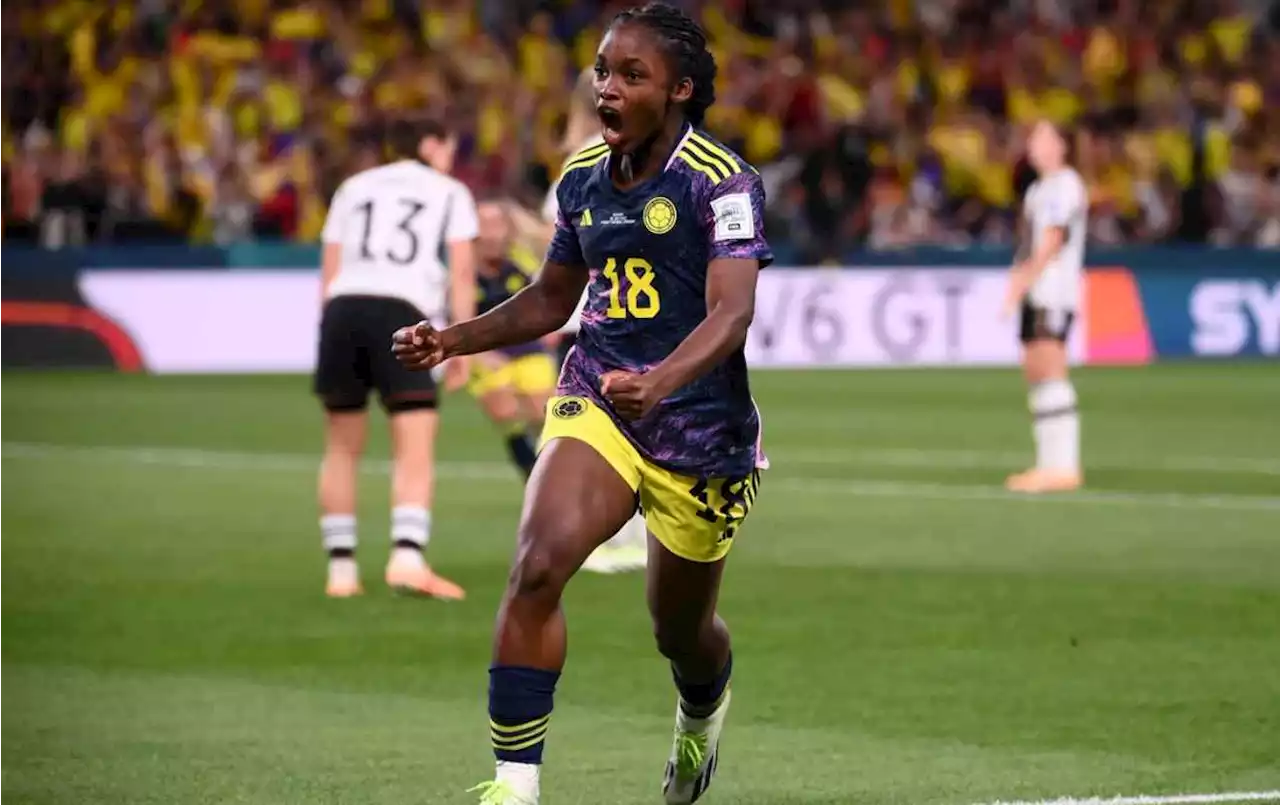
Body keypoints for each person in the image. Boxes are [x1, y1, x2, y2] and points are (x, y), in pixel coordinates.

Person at [393, 4, 770, 802]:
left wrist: (662, 382)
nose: (610, 87)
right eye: (604, 70)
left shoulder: (722, 181)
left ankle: (700, 720)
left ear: (680, 90)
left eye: (633, 75)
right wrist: (453, 338)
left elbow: (732, 313)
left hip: (701, 431)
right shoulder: (578, 181)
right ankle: (515, 783)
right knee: (538, 562)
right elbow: (550, 299)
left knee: (681, 631)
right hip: (597, 393)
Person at [314, 119, 477, 600]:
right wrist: (459, 343)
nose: (451, 155)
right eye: (448, 144)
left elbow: (330, 270)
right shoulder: (449, 191)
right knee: (414, 439)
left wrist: (329, 327)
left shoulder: (353, 187)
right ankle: (407, 558)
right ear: (430, 143)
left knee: (341, 445)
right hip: (403, 310)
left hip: (343, 309)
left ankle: (341, 573)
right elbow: (462, 271)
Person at [545, 65, 650, 575]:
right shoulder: (617, 162)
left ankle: (613, 539)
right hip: (617, 322)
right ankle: (622, 538)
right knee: (623, 437)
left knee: (601, 439)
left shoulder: (582, 163)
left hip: (586, 325)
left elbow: (552, 250)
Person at [1002, 120, 1087, 493]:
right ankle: (1047, 464)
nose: (1032, 144)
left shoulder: (1065, 185)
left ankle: (1063, 466)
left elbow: (1053, 239)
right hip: (1037, 289)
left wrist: (1024, 280)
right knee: (1036, 370)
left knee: (1051, 369)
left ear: (1061, 146)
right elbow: (1031, 241)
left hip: (1053, 289)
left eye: (1041, 137)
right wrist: (1018, 279)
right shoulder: (1038, 190)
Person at [470, 199, 560, 478]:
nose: (492, 233)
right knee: (504, 409)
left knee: (542, 410)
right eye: (485, 225)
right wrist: (476, 353)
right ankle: (528, 465)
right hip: (484, 347)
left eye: (497, 224)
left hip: (526, 345)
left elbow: (548, 291)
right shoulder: (463, 270)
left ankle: (548, 467)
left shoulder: (522, 261)